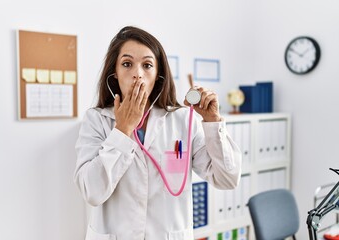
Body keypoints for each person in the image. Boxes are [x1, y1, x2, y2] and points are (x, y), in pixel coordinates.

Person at [74, 26, 242, 240]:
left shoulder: (182, 120)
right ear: (114, 73)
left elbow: (227, 179)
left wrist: (213, 123)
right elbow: (92, 192)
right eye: (127, 64)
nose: (137, 73)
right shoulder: (96, 120)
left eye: (147, 65)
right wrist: (122, 131)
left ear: (158, 75)